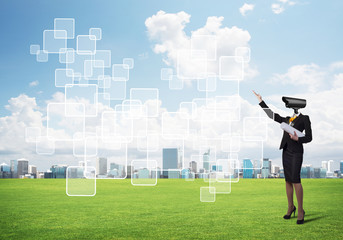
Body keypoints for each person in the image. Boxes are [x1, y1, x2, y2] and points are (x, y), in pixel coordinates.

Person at [252, 90, 312, 224]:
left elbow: (309, 137)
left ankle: (301, 210)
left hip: (296, 152)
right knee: (288, 180)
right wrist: (261, 101)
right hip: (286, 151)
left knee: (296, 180)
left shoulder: (305, 118)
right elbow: (271, 115)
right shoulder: (286, 119)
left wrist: (297, 138)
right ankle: (291, 207)